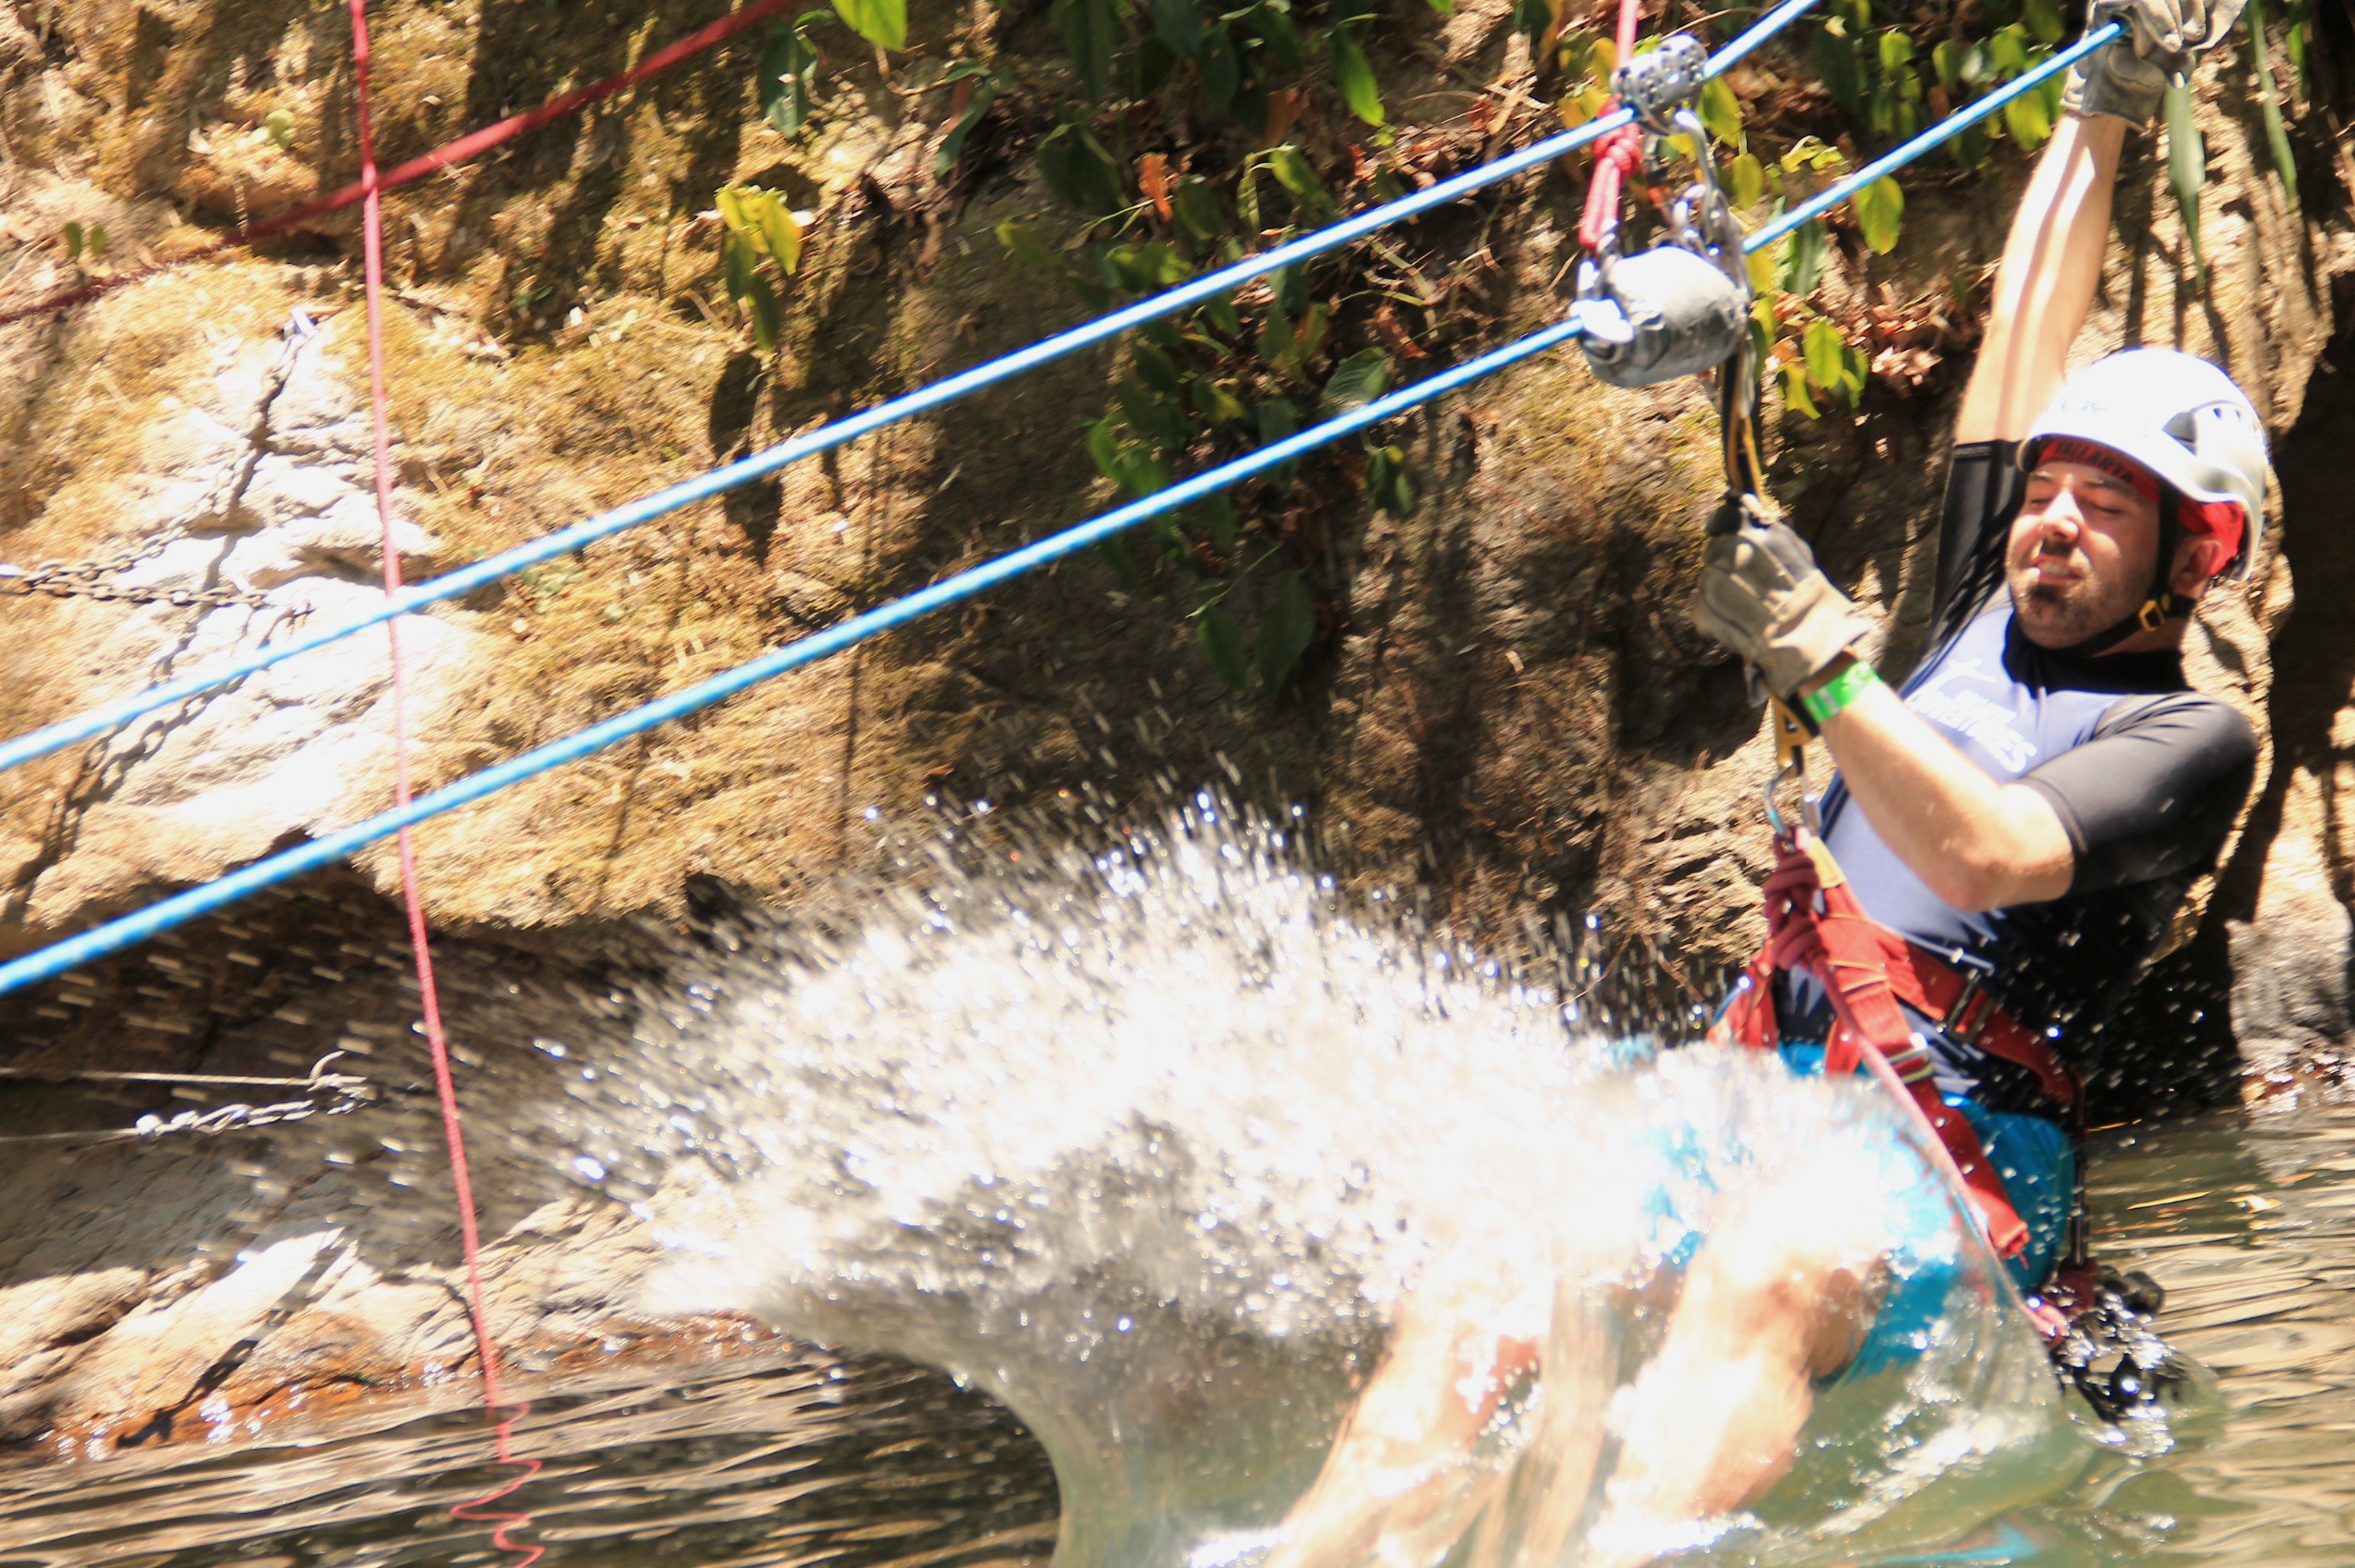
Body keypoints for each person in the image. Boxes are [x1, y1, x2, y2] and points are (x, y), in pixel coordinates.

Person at [1264, 0, 2263, 1561]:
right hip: (1761, 1081)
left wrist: (1821, 657)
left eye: (2107, 507)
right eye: (2045, 489)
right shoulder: (1979, 604)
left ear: (2189, 560)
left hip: (1949, 1136)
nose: (2052, 521)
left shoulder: (2187, 737)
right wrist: (2109, 91)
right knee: (1498, 1250)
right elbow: (2024, 324)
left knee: (1765, 1265)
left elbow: (1992, 850)